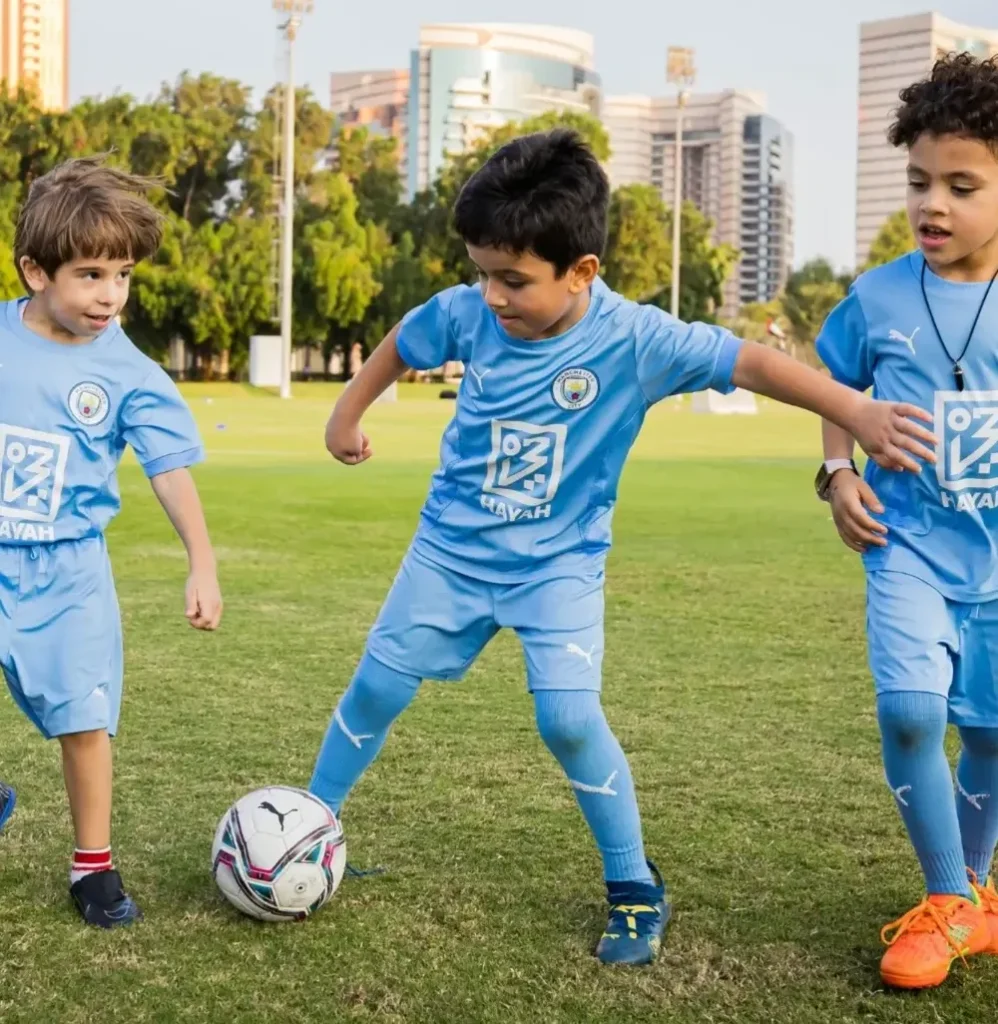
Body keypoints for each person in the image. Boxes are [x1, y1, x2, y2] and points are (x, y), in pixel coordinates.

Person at [310, 128, 935, 966]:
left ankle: (634, 884)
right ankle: (304, 830)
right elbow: (404, 342)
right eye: (482, 272)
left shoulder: (636, 340)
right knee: (376, 687)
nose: (491, 296)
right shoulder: (468, 313)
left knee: (567, 718)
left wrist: (854, 414)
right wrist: (347, 414)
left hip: (559, 566)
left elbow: (748, 362)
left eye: (514, 280)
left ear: (583, 272)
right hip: (448, 555)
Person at [0, 156, 223, 927]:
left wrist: (201, 562)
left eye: (122, 275)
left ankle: (92, 866)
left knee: (83, 723)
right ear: (35, 270)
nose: (110, 295)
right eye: (90, 274)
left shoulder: (130, 373)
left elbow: (169, 470)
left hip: (69, 574)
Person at [816, 53, 998, 989]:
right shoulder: (881, 295)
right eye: (921, 180)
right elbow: (838, 387)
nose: (934, 204)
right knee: (911, 708)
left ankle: (974, 890)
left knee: (996, 732)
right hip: (906, 548)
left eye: (962, 186)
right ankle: (945, 897)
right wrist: (836, 470)